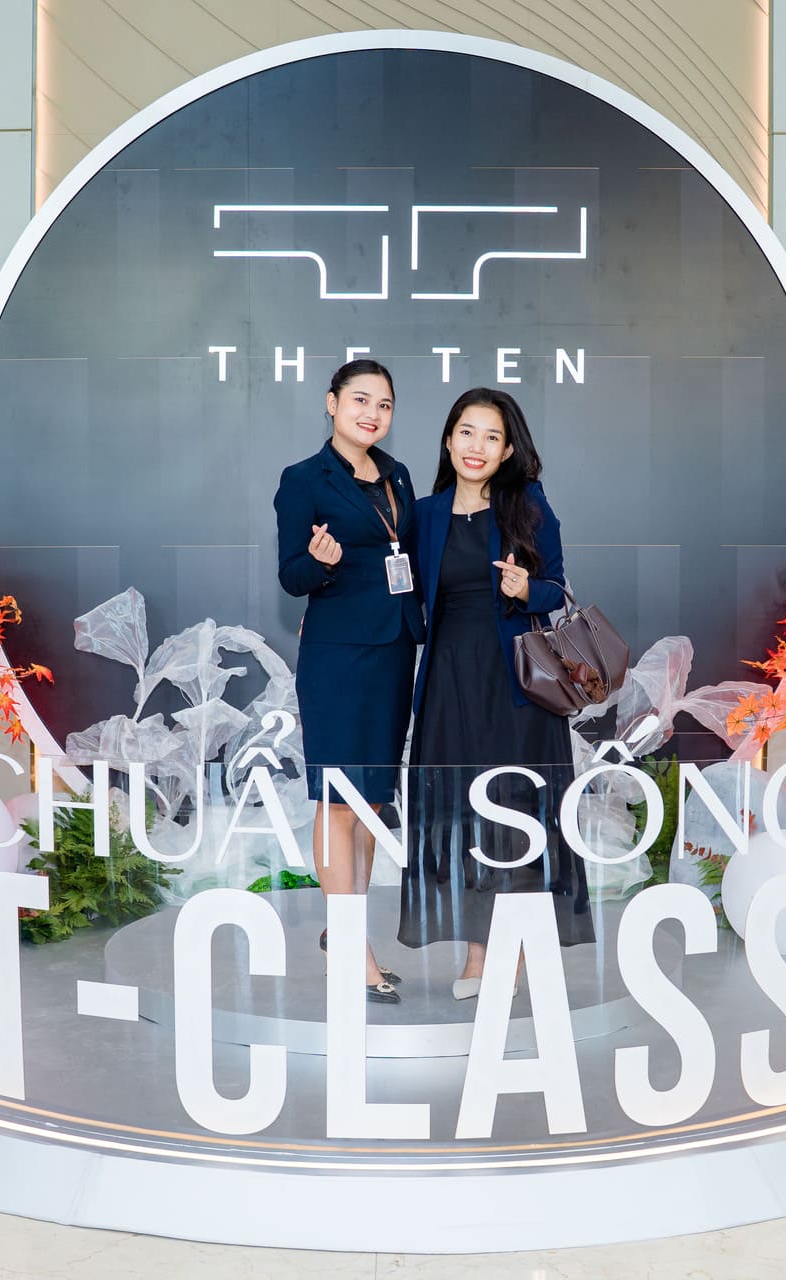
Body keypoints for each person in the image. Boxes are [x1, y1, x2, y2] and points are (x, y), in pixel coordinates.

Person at [399, 387, 591, 998]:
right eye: (467, 432)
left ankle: (516, 948)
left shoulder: (526, 505)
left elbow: (557, 589)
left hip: (516, 687)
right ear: (448, 438)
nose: (476, 446)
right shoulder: (424, 514)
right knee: (462, 814)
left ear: (508, 450)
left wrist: (525, 589)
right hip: (448, 685)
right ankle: (479, 954)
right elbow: (403, 594)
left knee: (516, 811)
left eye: (491, 436)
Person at [274, 359, 425, 1003]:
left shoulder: (398, 475)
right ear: (332, 403)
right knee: (338, 799)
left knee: (373, 803)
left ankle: (345, 931)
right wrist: (320, 562)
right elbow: (291, 575)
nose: (373, 414)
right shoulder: (303, 479)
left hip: (395, 651)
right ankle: (354, 953)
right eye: (360, 400)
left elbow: (409, 553)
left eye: (384, 405)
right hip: (337, 656)